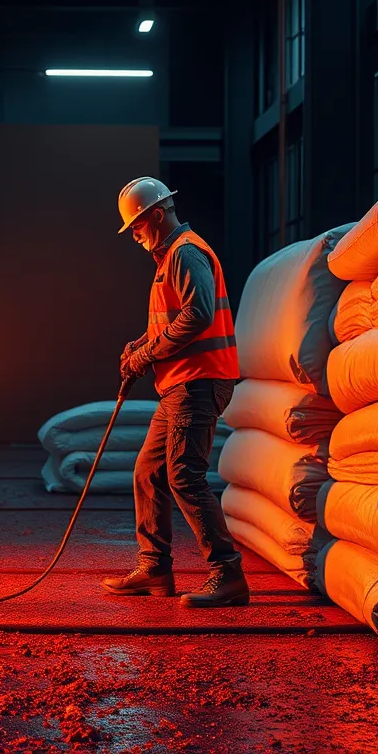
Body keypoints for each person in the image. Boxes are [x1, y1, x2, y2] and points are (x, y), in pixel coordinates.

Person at [101, 176, 249, 607]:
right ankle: (155, 570)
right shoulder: (170, 259)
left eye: (136, 227)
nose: (134, 236)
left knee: (184, 476)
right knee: (149, 472)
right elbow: (174, 321)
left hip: (199, 381)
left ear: (156, 215)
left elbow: (198, 315)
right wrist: (140, 346)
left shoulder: (185, 253)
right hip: (181, 384)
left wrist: (145, 356)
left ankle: (228, 574)